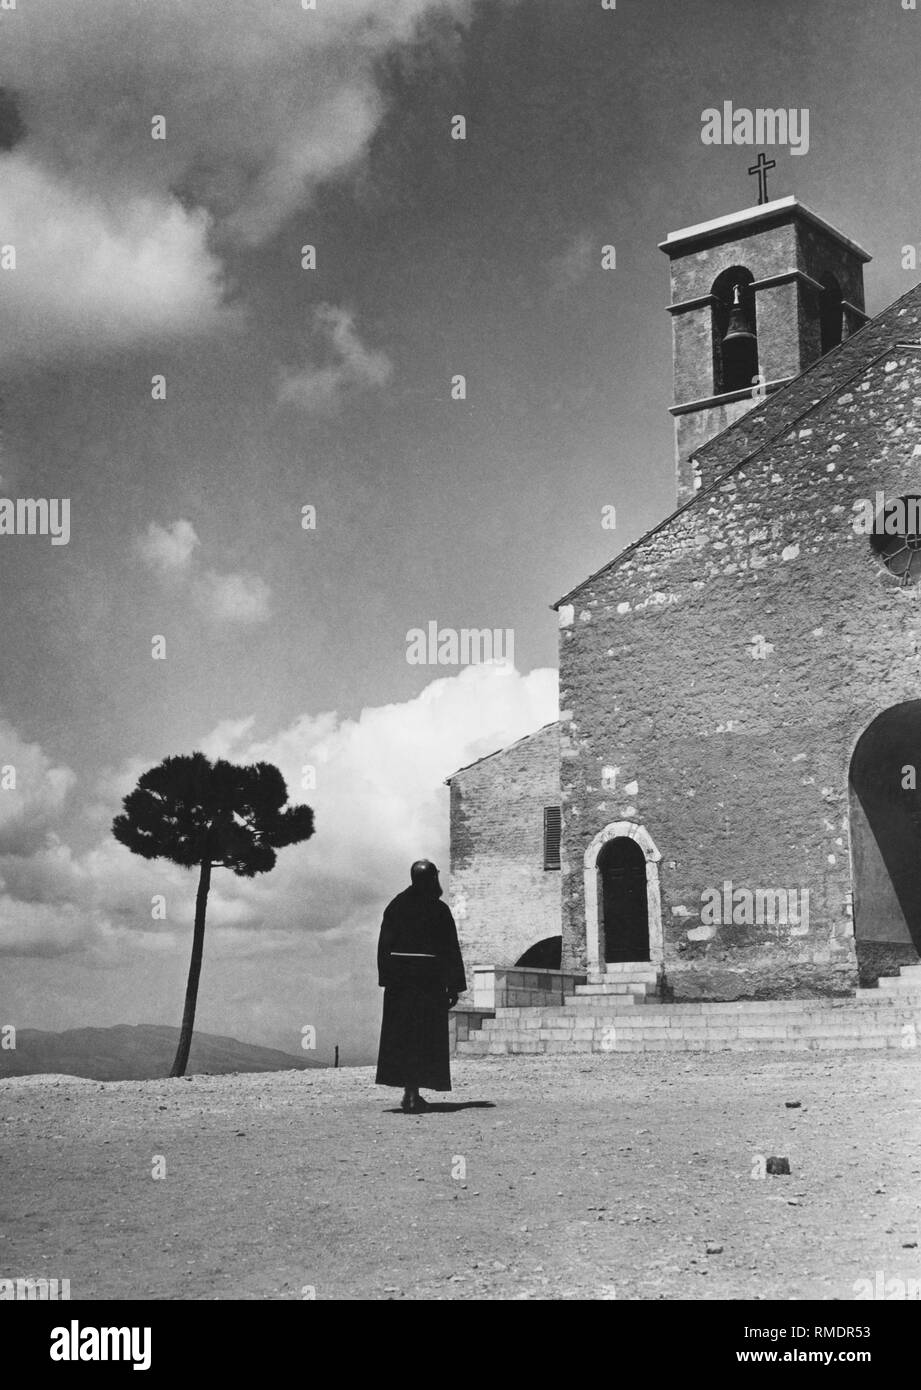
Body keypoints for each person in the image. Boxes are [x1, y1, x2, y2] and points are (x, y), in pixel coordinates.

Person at [375, 859, 467, 1112]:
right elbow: (450, 950)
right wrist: (454, 985)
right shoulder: (438, 910)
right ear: (431, 879)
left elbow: (384, 947)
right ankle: (414, 1093)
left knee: (404, 1038)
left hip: (401, 987)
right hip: (428, 984)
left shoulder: (395, 907)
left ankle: (410, 1092)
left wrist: (387, 979)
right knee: (424, 1039)